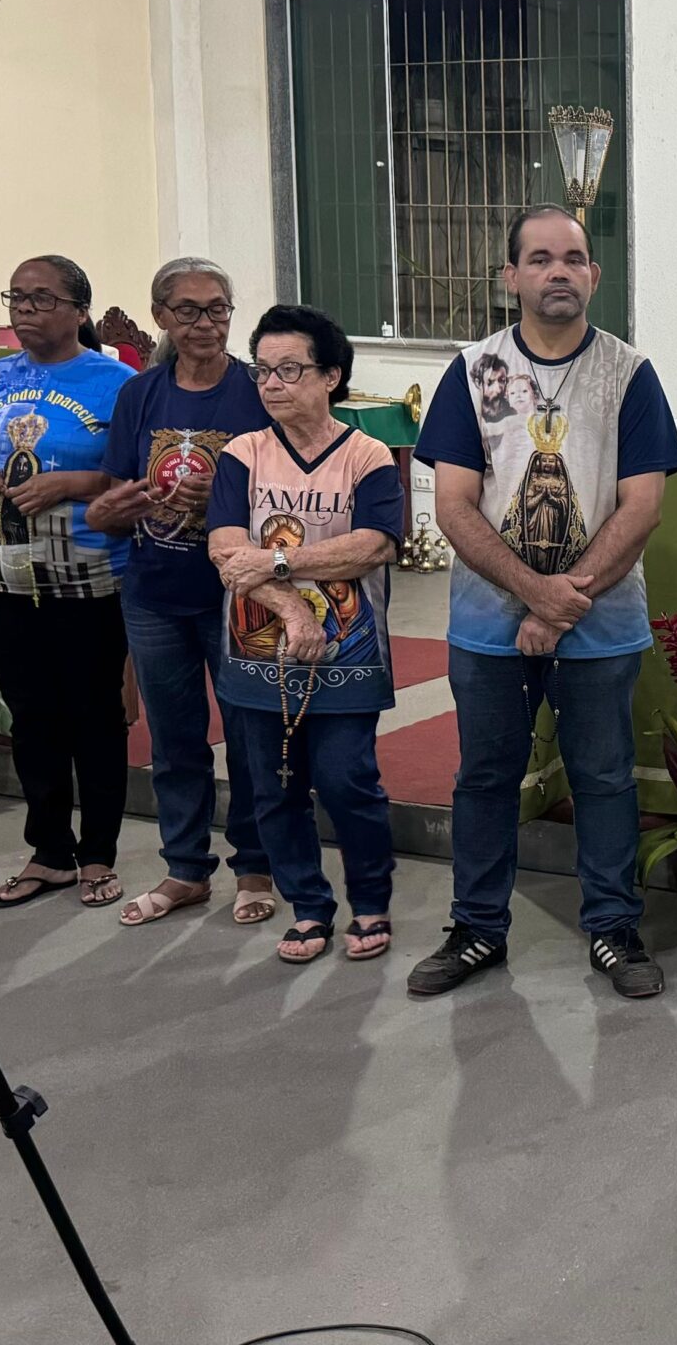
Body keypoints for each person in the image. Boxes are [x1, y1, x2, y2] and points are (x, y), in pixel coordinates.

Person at [406, 204, 677, 1002]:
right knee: (485, 777)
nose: (558, 271)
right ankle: (476, 928)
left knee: (603, 776)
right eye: (540, 259)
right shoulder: (474, 372)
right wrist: (536, 595)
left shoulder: (629, 374)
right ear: (511, 277)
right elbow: (453, 504)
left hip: (603, 621)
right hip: (489, 623)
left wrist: (562, 603)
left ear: (594, 274)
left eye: (572, 258)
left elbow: (642, 507)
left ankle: (613, 927)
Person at [0, 256, 135, 909]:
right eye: (16, 296)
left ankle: (98, 854)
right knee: (32, 715)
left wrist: (73, 483)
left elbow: (139, 475)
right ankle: (49, 852)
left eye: (42, 298)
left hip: (88, 578)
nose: (24, 308)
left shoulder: (118, 384)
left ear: (79, 310)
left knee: (94, 714)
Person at [85, 257, 280, 928]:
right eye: (189, 310)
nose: (205, 323)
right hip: (154, 592)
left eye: (218, 308)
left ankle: (255, 866)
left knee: (252, 735)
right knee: (174, 742)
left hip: (239, 594)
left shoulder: (257, 391)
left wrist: (225, 501)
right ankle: (186, 868)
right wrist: (117, 508)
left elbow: (291, 498)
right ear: (162, 316)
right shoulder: (140, 395)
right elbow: (114, 494)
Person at [206, 305, 402, 965]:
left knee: (348, 781)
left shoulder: (367, 455)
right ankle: (309, 906)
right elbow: (227, 553)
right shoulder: (243, 454)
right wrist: (293, 612)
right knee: (273, 787)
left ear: (331, 376)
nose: (272, 383)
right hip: (257, 652)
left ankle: (370, 900)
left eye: (289, 369)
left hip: (350, 652)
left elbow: (373, 545)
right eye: (262, 370)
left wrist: (278, 560)